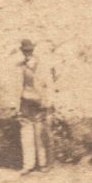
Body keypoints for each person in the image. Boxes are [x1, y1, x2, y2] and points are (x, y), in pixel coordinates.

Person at [17, 38, 53, 173]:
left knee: (40, 133)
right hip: (24, 101)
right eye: (25, 51)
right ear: (22, 51)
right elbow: (16, 84)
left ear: (33, 50)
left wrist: (48, 100)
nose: (27, 53)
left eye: (29, 51)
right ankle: (28, 165)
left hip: (39, 101)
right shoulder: (19, 66)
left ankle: (42, 164)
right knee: (26, 133)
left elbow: (49, 84)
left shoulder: (42, 65)